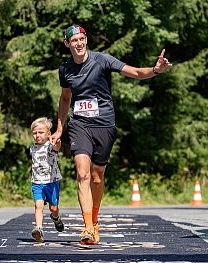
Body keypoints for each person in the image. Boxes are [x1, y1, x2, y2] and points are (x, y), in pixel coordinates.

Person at [50, 25, 172, 245]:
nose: (78, 44)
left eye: (81, 39)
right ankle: (87, 228)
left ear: (86, 40)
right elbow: (65, 99)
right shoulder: (65, 70)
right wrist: (60, 128)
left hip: (104, 125)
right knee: (82, 173)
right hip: (79, 126)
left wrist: (155, 70)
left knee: (97, 177)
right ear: (67, 44)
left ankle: (94, 221)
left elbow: (134, 72)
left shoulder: (102, 60)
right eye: (73, 41)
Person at [30, 117, 65, 243]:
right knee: (38, 205)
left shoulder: (50, 146)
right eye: (35, 133)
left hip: (52, 182)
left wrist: (57, 142)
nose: (37, 135)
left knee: (53, 208)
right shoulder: (32, 148)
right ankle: (39, 229)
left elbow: (57, 147)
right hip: (37, 182)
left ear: (48, 134)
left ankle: (56, 218)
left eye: (41, 132)